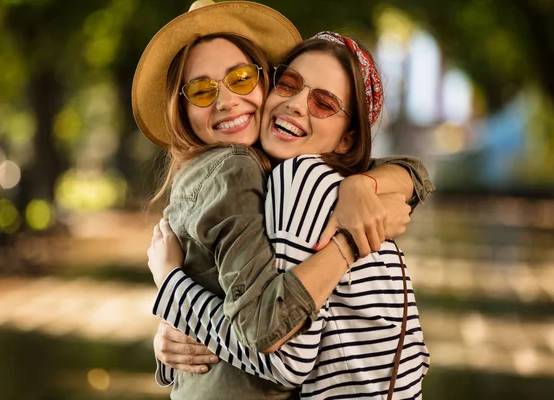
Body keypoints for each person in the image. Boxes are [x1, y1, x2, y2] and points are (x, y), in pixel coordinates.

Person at [131, 1, 433, 399]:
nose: (224, 100)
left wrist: (364, 186)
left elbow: (414, 173)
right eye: (288, 84)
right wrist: (348, 244)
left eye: (239, 78)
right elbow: (273, 344)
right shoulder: (243, 168)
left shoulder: (288, 174)